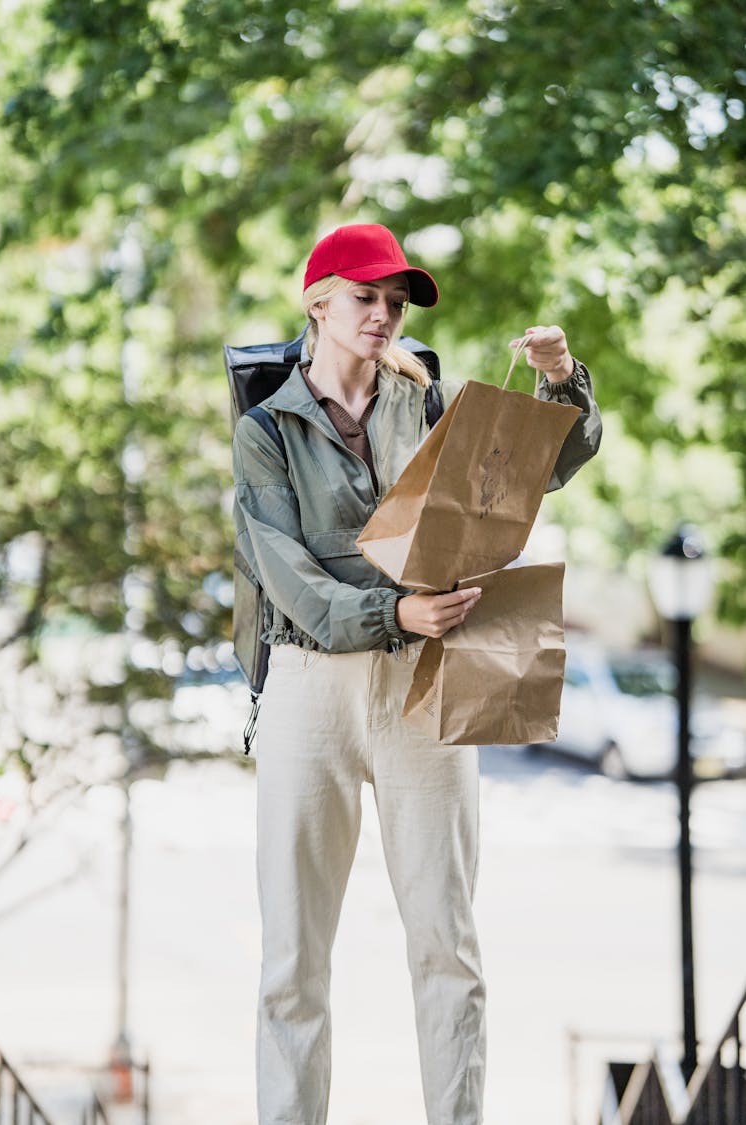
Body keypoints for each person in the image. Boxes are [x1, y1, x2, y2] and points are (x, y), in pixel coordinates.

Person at [231, 222, 601, 1125]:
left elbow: (529, 472)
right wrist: (390, 610)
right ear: (317, 302)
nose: (384, 314)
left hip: (423, 683)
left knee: (448, 946)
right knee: (293, 961)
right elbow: (289, 576)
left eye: (395, 301)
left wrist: (561, 380)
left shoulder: (426, 403)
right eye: (366, 296)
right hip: (309, 688)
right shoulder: (264, 427)